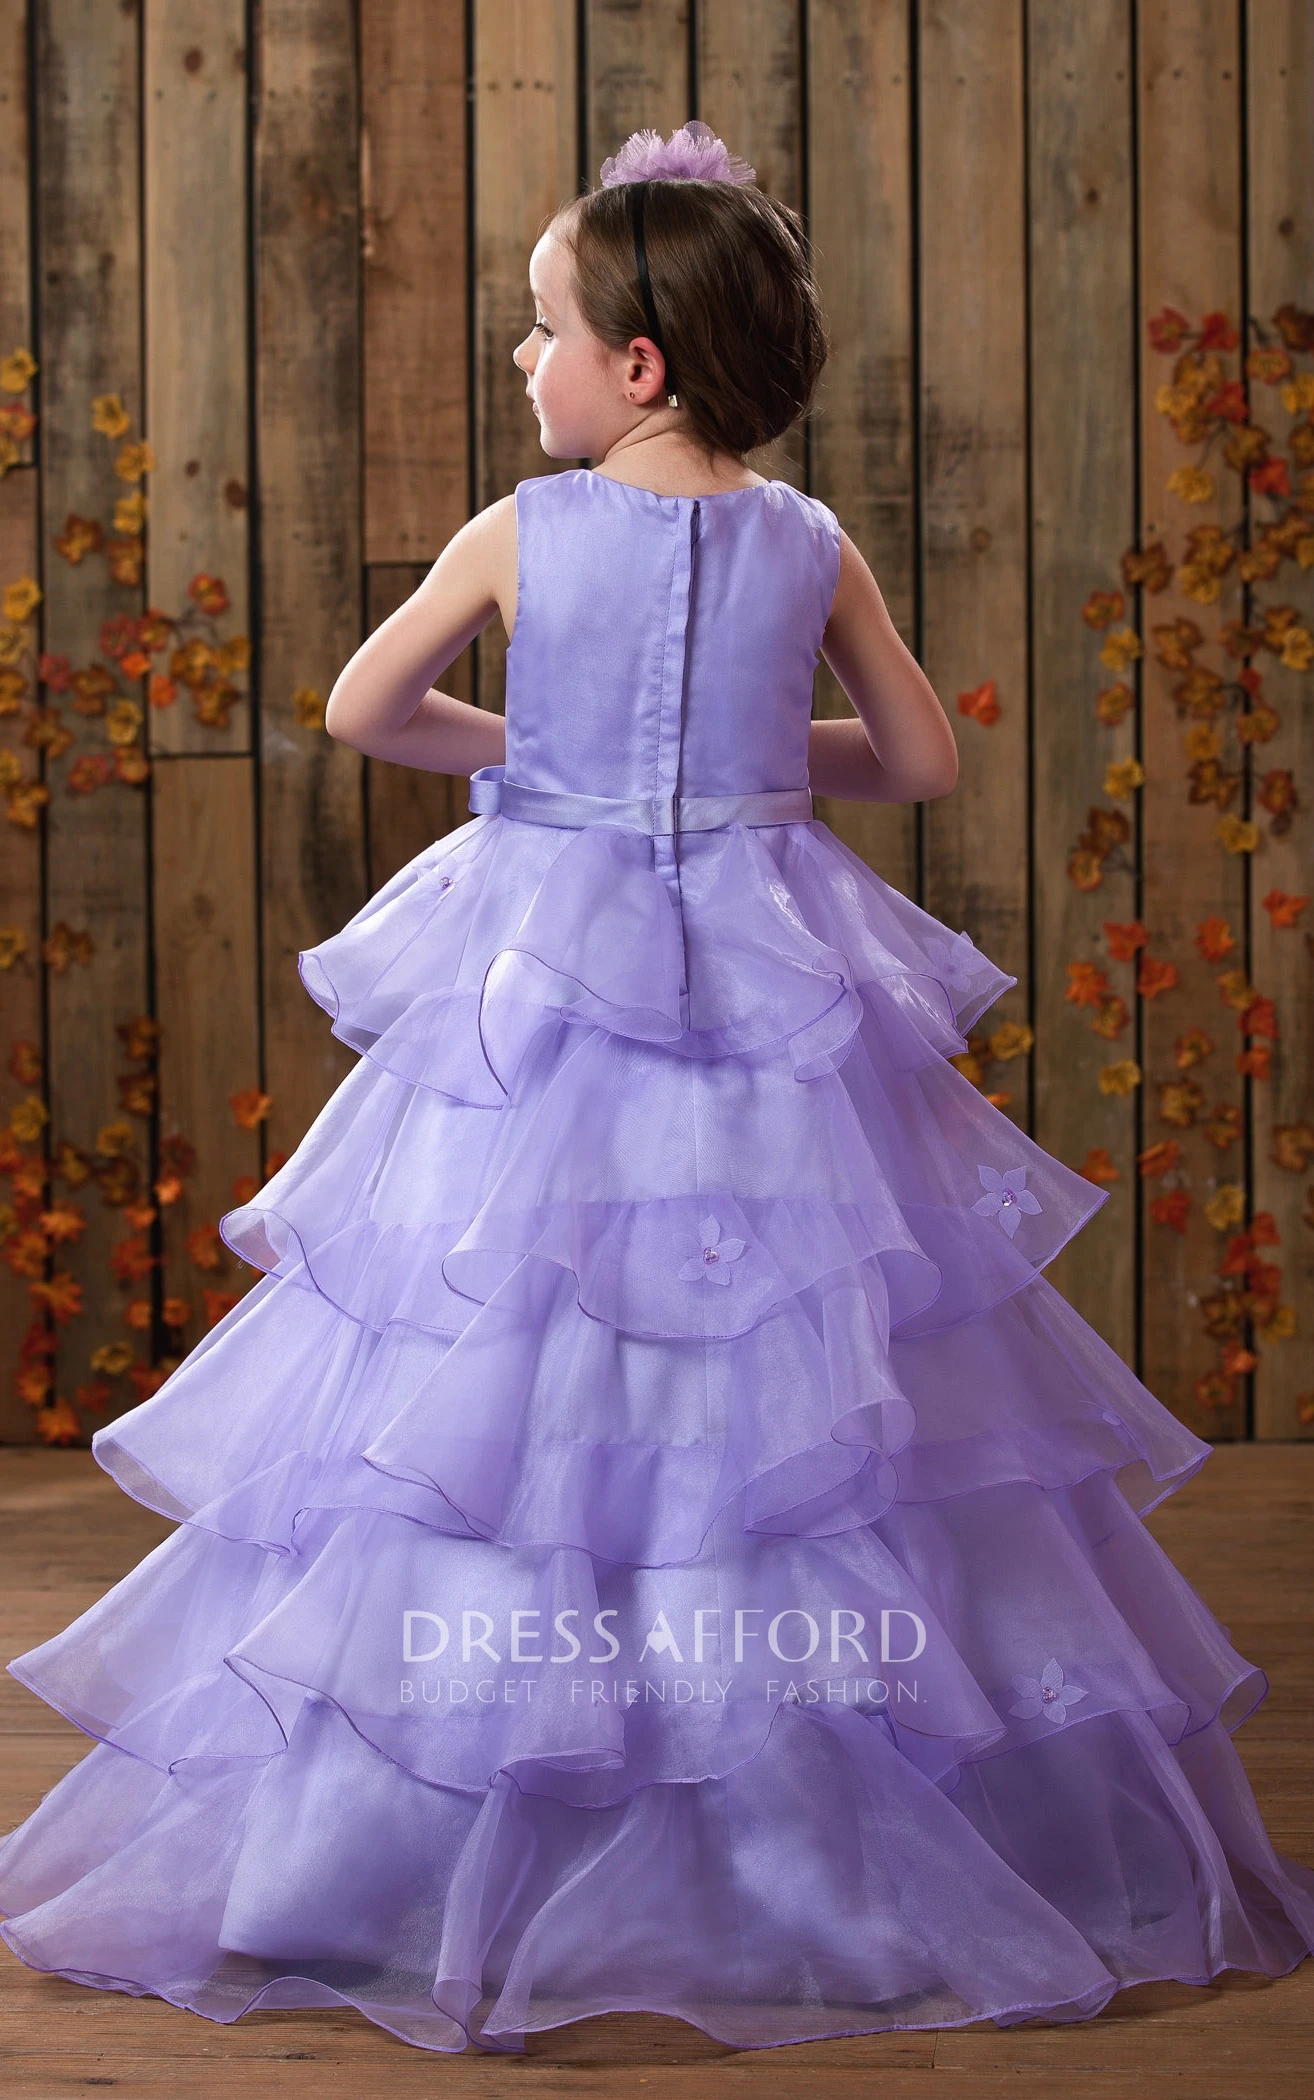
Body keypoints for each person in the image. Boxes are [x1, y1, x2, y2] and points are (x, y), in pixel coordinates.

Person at [1, 119, 1311, 2058]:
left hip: (554, 963)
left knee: (519, 1349)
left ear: (638, 365)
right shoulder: (811, 541)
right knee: (775, 1357)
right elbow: (920, 764)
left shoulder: (521, 533)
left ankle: (406, 1835)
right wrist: (752, 774)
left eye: (539, 329)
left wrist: (542, 762)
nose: (521, 360)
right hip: (769, 981)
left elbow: (366, 710)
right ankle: (805, 1850)